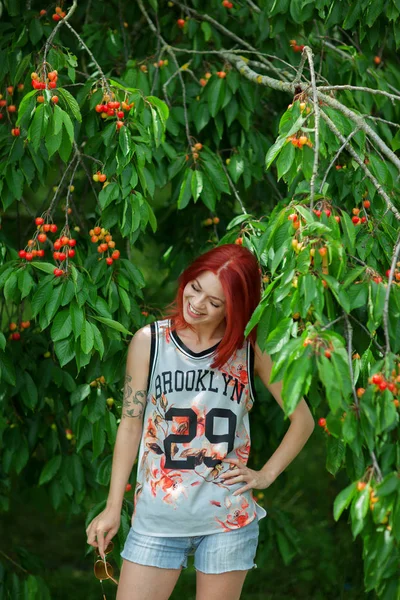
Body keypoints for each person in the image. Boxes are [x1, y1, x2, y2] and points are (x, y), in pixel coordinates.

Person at [86, 243, 315, 600]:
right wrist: (114, 506)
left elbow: (303, 420)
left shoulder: (251, 351)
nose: (196, 303)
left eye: (214, 302)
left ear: (234, 307)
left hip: (226, 520)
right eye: (195, 287)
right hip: (157, 519)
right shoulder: (150, 342)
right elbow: (130, 426)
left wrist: (265, 475)